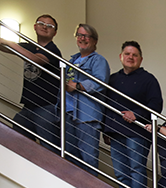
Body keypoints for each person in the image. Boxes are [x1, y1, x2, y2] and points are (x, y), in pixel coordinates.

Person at [105, 41, 163, 188]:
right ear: (120, 57)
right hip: (115, 132)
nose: (130, 57)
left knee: (136, 169)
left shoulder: (149, 79)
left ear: (141, 59)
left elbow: (156, 106)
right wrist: (105, 129)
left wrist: (136, 114)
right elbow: (106, 105)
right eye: (127, 54)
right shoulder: (113, 79)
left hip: (136, 133)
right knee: (120, 173)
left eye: (134, 55)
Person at [0, 14, 61, 153]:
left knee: (49, 148)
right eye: (41, 23)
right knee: (17, 137)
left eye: (50, 26)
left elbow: (36, 59)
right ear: (35, 26)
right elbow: (5, 48)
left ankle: (54, 174)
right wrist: (4, 42)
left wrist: (10, 42)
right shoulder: (30, 47)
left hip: (46, 107)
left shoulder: (53, 50)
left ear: (55, 33)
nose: (45, 27)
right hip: (28, 107)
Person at [63, 23, 109, 175]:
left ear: (94, 41)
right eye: (79, 35)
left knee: (88, 159)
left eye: (86, 36)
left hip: (86, 115)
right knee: (70, 158)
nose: (82, 39)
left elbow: (100, 82)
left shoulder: (98, 60)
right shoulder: (71, 60)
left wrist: (78, 86)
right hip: (68, 113)